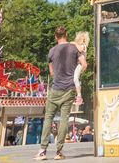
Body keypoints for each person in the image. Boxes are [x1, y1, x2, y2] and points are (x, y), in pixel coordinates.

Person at [37, 26, 84, 161]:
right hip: (69, 89)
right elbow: (84, 64)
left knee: (48, 118)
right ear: (66, 34)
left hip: (55, 89)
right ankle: (59, 151)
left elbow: (52, 73)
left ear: (55, 36)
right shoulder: (73, 49)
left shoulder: (51, 51)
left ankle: (42, 151)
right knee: (64, 119)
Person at [71, 31, 91, 105]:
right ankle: (77, 95)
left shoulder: (83, 46)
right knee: (75, 79)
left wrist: (74, 43)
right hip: (79, 64)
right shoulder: (81, 45)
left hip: (80, 64)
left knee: (75, 78)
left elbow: (79, 49)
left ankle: (79, 96)